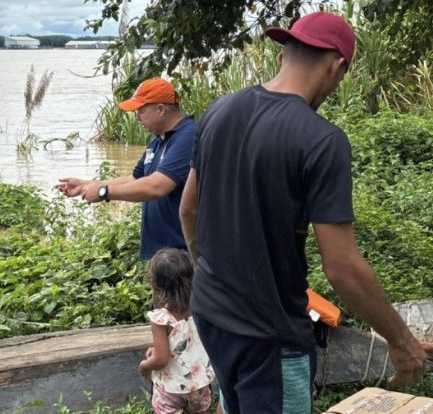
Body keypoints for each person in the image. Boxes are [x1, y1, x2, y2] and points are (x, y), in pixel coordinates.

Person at [179, 12, 433, 413]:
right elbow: (342, 267)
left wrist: (210, 271)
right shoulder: (322, 139)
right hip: (269, 333)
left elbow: (188, 208)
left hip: (211, 314)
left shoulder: (218, 110)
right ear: (337, 67)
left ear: (284, 55)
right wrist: (402, 343)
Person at [55, 78, 194, 261]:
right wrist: (87, 184)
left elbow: (157, 186)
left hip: (182, 253)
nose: (136, 117)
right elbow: (135, 179)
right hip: (161, 254)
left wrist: (104, 192)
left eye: (141, 111)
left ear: (160, 109)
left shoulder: (188, 136)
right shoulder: (157, 140)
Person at [139, 248, 214, 414]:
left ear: (156, 285)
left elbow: (161, 359)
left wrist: (145, 366)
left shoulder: (161, 319)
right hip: (199, 385)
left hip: (171, 388)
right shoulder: (202, 308)